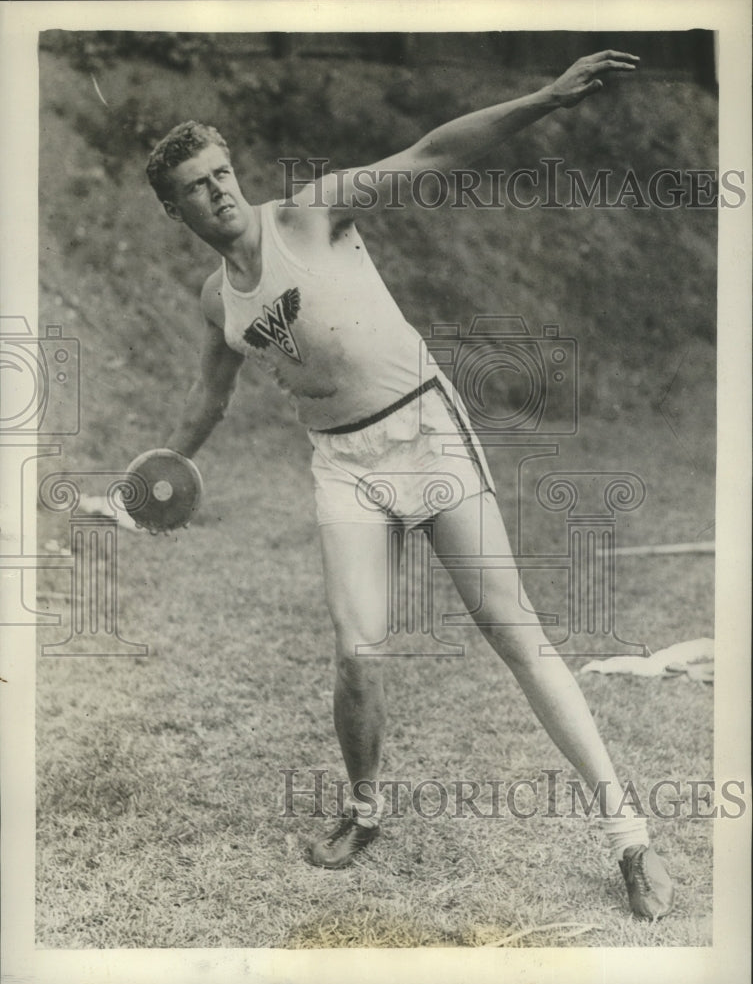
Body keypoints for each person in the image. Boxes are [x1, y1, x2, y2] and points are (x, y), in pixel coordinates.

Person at [146, 50, 674, 920]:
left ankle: (629, 841)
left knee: (516, 635)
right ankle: (364, 813)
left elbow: (430, 152)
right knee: (357, 652)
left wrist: (542, 96)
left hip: (425, 433)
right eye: (196, 189)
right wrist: (162, 470)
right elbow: (210, 393)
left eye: (222, 172)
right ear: (175, 211)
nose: (218, 193)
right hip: (343, 466)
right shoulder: (217, 301)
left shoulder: (310, 216)